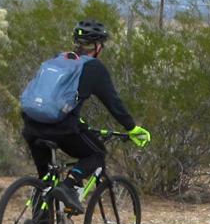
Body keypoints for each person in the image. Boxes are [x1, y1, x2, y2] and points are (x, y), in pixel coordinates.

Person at [19, 19, 150, 214]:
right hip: (60, 129)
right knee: (97, 154)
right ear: (97, 46)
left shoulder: (59, 59)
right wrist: (131, 128)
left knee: (45, 182)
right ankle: (69, 185)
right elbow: (113, 103)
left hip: (31, 125)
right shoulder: (94, 67)